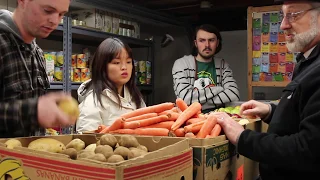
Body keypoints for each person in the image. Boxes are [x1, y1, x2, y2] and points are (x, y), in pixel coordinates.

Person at [215, 0, 320, 179]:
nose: (283, 25)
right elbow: (303, 114)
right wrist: (272, 111)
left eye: (293, 15)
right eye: (283, 15)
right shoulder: (307, 60)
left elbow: (308, 151)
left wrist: (242, 138)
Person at [0, 0, 75, 138]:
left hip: (30, 157)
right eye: (48, 10)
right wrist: (33, 111)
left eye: (61, 14)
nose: (55, 21)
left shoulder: (38, 54)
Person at [76, 38, 146, 132]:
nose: (124, 67)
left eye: (128, 62)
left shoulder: (135, 97)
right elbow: (87, 142)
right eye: (117, 63)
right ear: (102, 66)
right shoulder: (92, 102)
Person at [172, 24, 240, 114]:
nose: (207, 45)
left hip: (218, 119)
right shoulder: (181, 64)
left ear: (217, 43)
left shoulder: (223, 65)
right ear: (196, 43)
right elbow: (185, 98)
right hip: (190, 120)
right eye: (202, 40)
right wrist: (219, 89)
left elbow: (234, 94)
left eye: (211, 40)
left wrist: (197, 101)